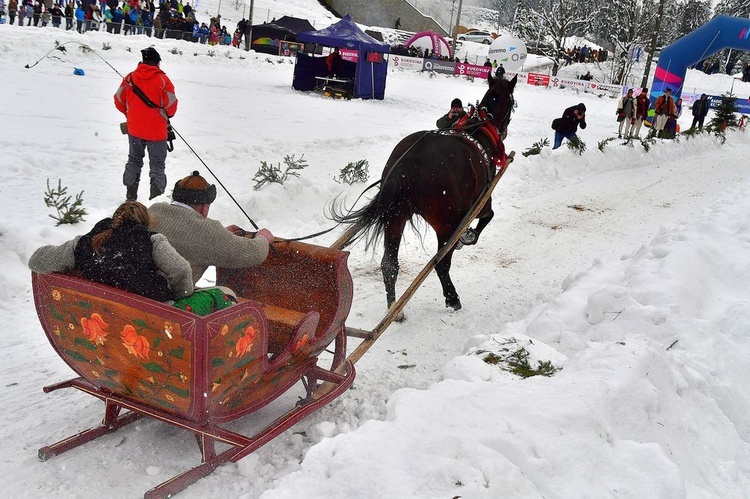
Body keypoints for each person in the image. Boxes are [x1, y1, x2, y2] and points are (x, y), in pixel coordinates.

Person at [28, 201, 193, 302]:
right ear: (145, 222)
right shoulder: (152, 240)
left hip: (99, 309)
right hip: (147, 309)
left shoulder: (87, 241)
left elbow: (36, 260)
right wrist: (180, 298)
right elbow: (181, 269)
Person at [148, 171, 274, 285]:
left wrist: (222, 235)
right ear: (204, 207)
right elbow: (253, 253)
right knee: (226, 295)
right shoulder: (208, 232)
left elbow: (183, 232)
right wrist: (263, 237)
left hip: (138, 292)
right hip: (168, 301)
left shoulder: (153, 211)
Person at [114, 47, 178, 202]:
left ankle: (130, 196)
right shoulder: (163, 80)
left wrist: (131, 115)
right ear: (157, 62)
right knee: (157, 165)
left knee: (134, 160)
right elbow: (171, 107)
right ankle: (155, 200)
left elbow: (118, 100)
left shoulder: (130, 78)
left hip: (135, 129)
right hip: (157, 132)